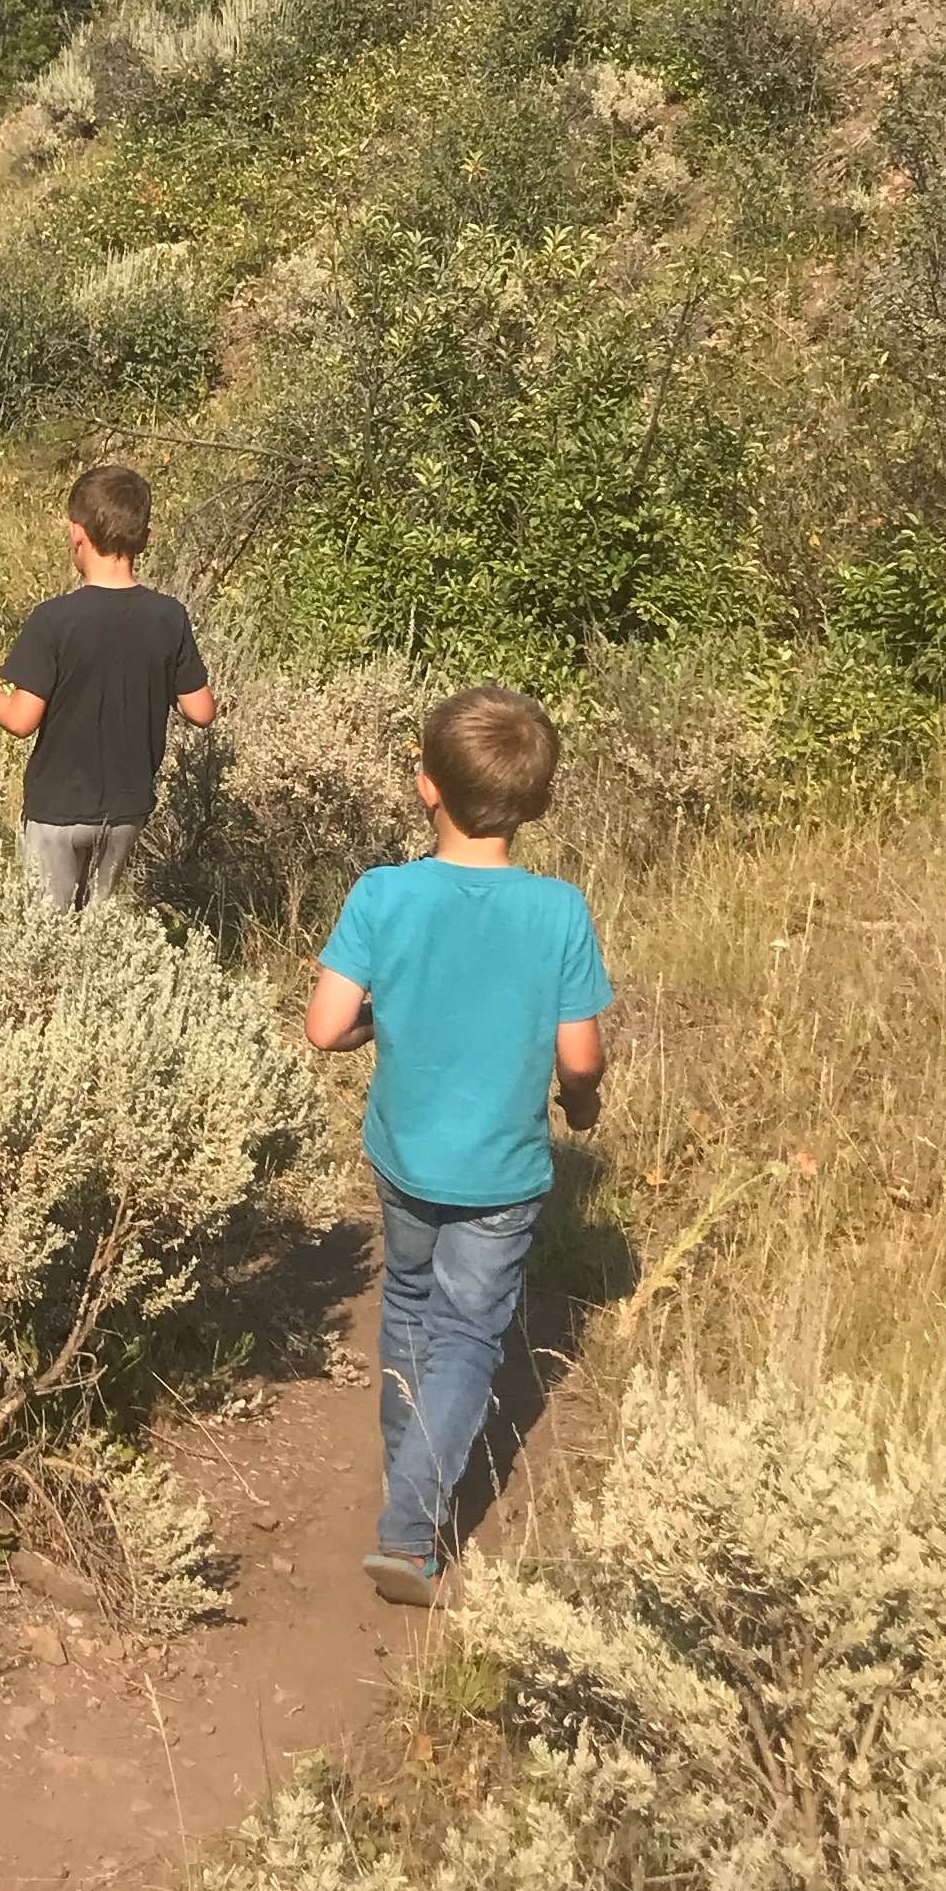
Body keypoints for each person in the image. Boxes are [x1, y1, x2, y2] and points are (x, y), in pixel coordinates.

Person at [306, 684, 613, 1607]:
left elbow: (326, 1027)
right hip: (503, 1172)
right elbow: (580, 1057)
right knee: (470, 1333)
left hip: (403, 1156)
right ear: (538, 802)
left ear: (426, 786)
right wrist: (581, 1105)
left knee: (407, 1302)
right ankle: (410, 1531)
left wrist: (380, 1023)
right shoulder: (559, 911)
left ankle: (408, 1469)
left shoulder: (384, 893)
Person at [0, 462, 215, 911]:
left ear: (77, 534)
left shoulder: (53, 620)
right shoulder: (168, 617)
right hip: (127, 808)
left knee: (48, 931)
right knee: (98, 925)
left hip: (58, 810)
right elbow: (201, 711)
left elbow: (21, 720)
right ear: (145, 538)